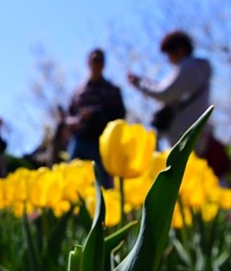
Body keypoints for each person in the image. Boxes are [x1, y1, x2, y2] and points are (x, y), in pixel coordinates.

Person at [128, 30, 212, 155]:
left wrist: (139, 83)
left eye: (169, 54)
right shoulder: (198, 68)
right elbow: (167, 89)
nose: (168, 59)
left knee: (184, 169)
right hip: (196, 132)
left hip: (183, 133)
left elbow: (165, 93)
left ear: (180, 50)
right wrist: (143, 81)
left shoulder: (187, 67)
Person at [65, 49, 126, 177]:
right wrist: (77, 122)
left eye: (99, 60)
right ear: (88, 63)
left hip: (101, 140)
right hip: (79, 139)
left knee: (102, 180)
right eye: (94, 60)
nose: (96, 64)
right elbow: (68, 116)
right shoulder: (78, 91)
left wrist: (96, 116)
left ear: (104, 64)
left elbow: (120, 116)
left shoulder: (112, 90)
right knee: (72, 177)